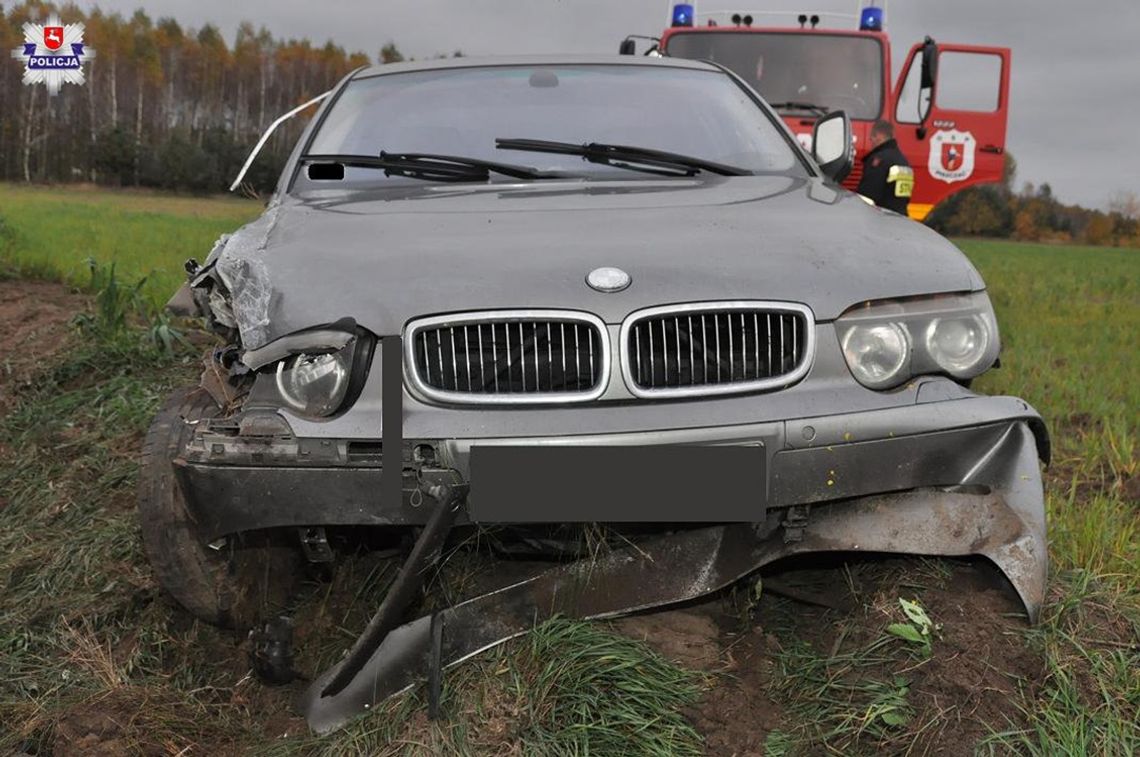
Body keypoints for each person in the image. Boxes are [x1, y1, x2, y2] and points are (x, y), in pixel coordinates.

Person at [856, 120, 913, 215]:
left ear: (879, 135)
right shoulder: (903, 161)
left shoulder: (879, 160)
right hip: (900, 217)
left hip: (880, 218)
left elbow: (867, 195)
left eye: (873, 135)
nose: (870, 139)